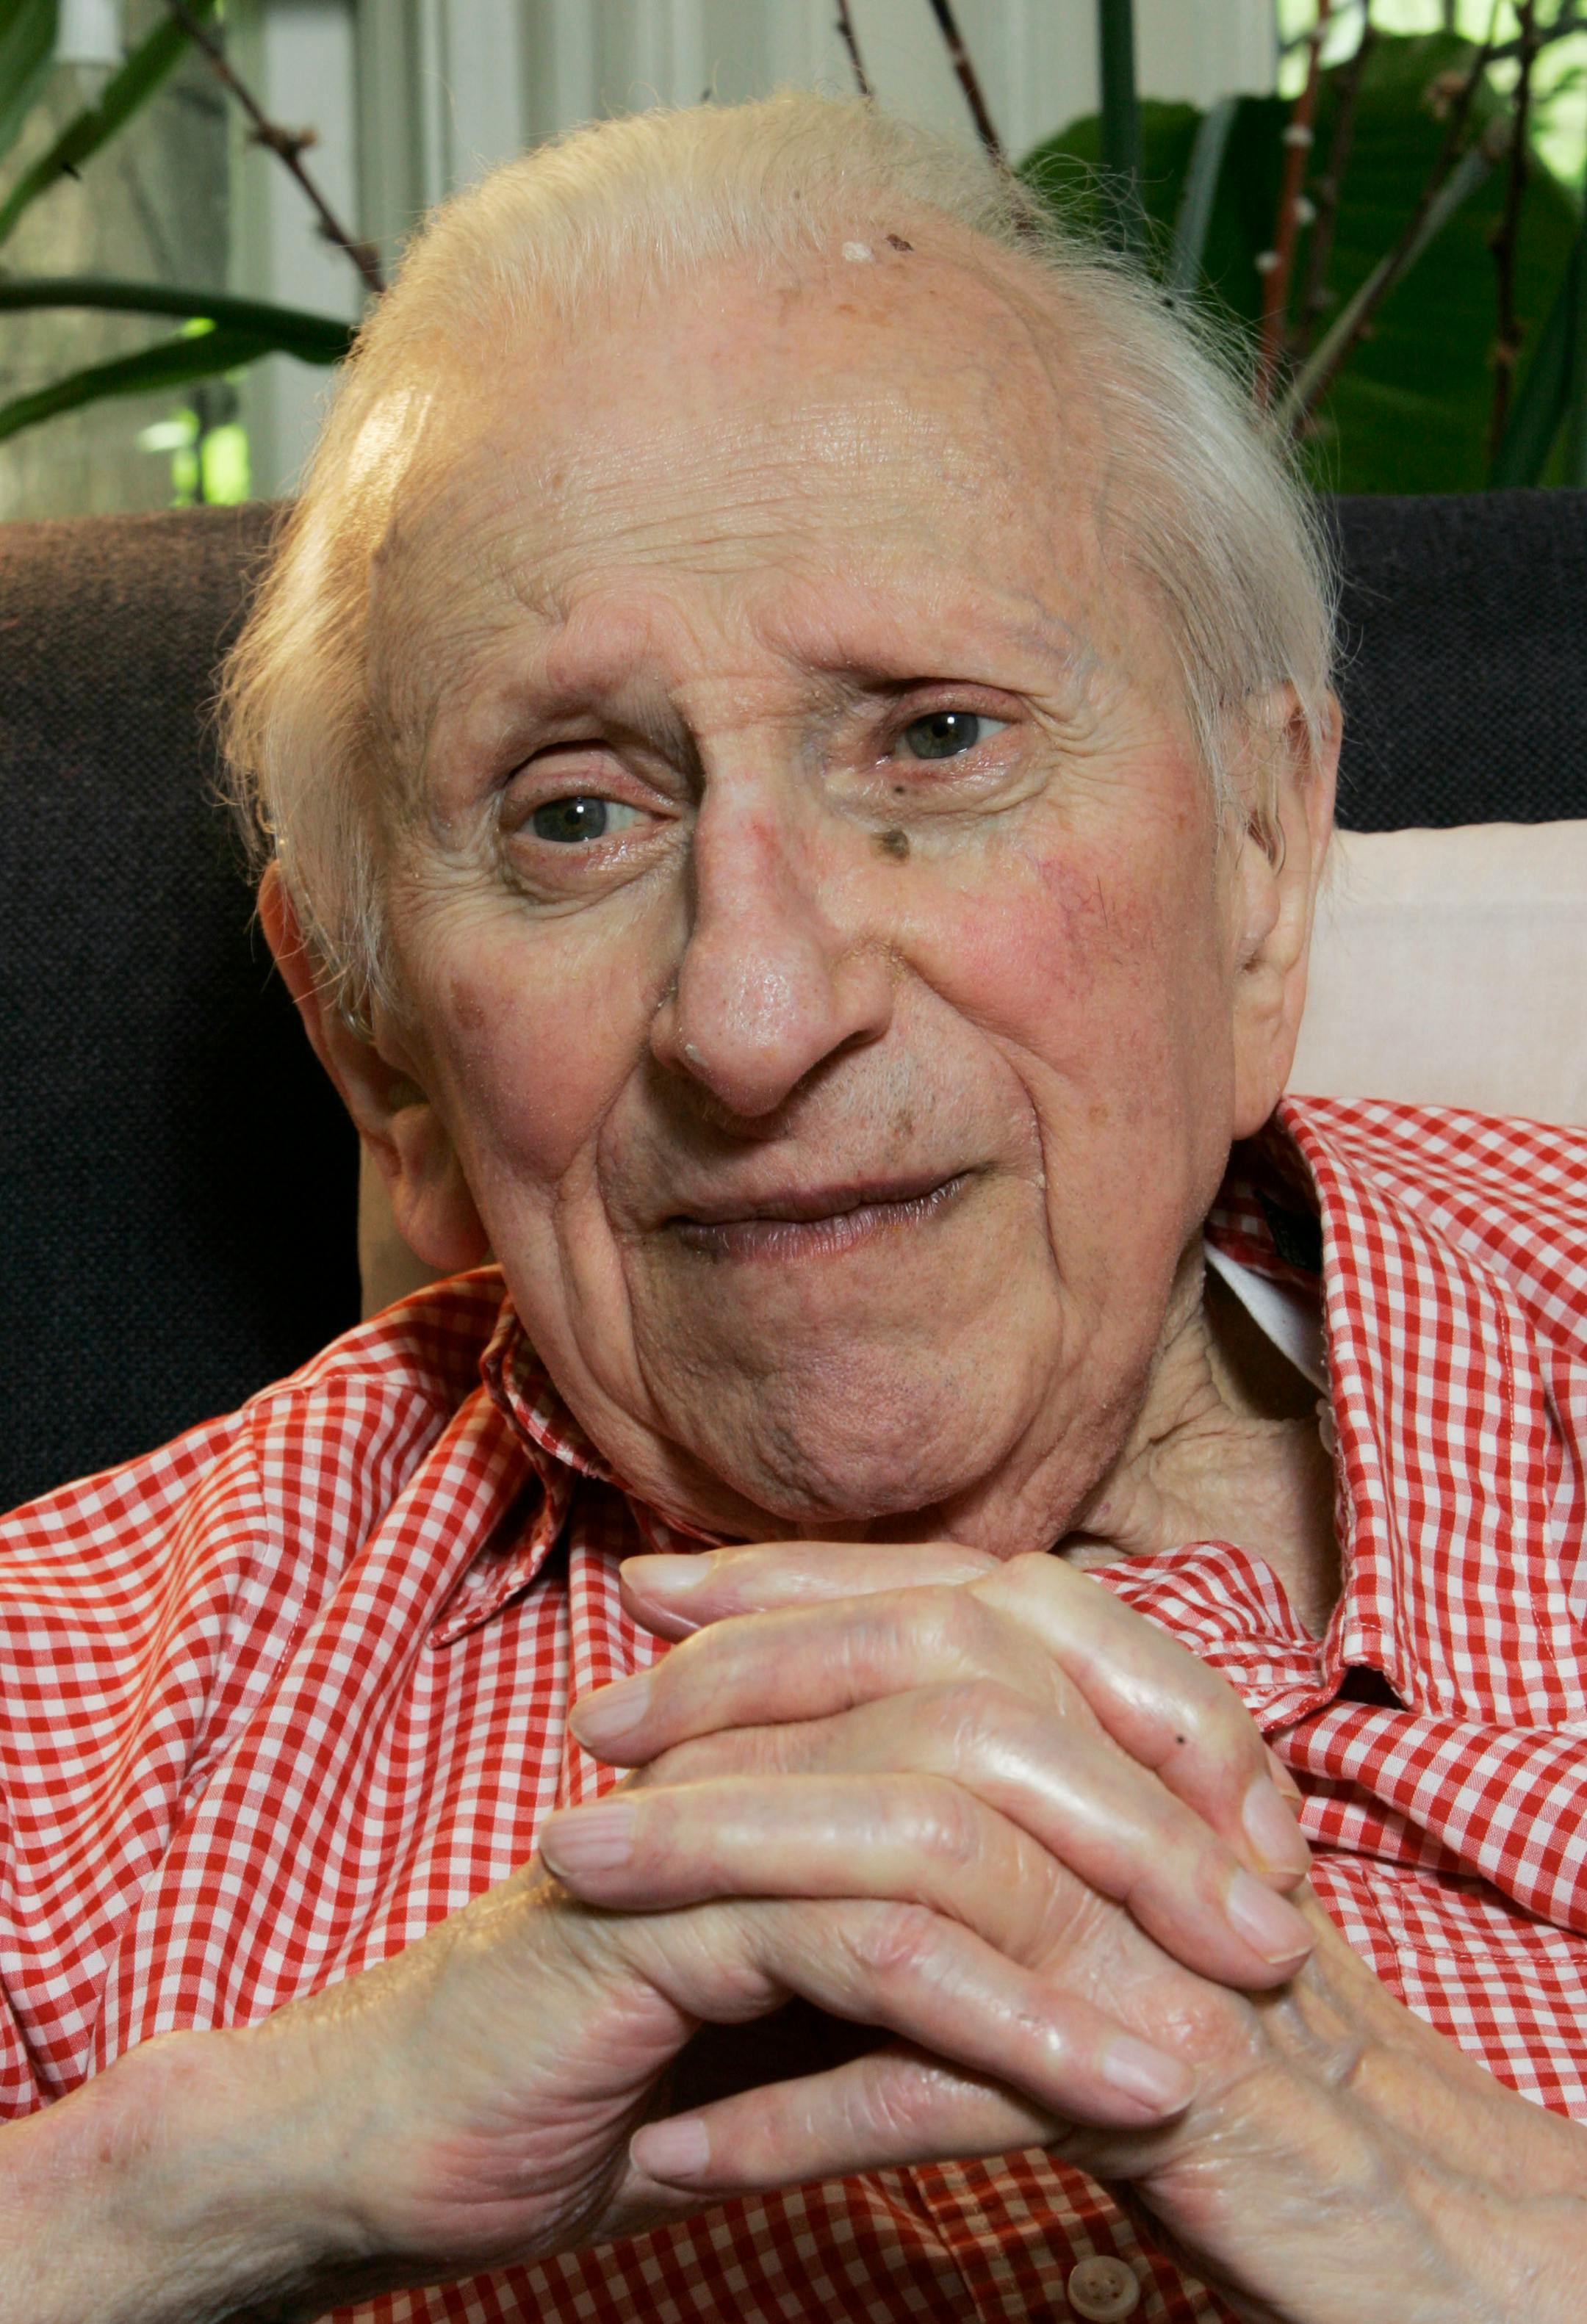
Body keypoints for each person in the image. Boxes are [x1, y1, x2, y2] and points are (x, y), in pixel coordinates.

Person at [5, 92, 1587, 2324]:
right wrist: (182, 2185)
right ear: (380, 1052)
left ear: (1256, 862)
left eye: (934, 738)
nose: (754, 1014)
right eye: (573, 814)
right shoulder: (79, 1709)